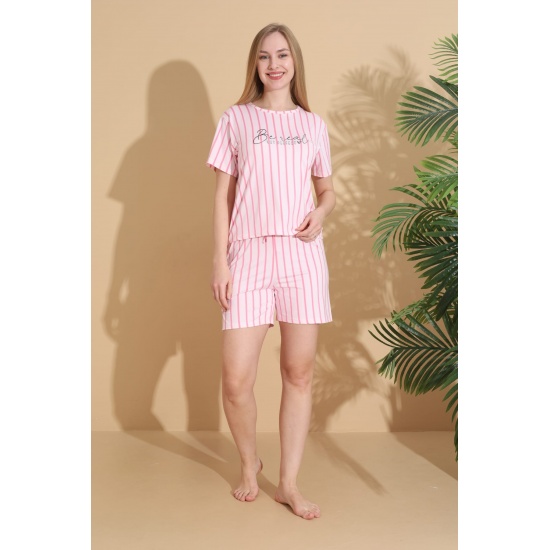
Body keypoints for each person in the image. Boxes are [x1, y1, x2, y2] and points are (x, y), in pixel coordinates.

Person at [206, 22, 336, 521]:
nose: (274, 64)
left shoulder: (313, 125)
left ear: (294, 62)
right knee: (236, 379)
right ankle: (249, 465)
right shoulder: (236, 118)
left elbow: (327, 191)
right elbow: (222, 196)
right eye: (264, 56)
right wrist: (220, 260)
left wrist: (320, 213)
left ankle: (288, 484)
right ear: (255, 65)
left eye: (282, 55)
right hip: (248, 255)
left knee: (297, 373)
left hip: (302, 257)